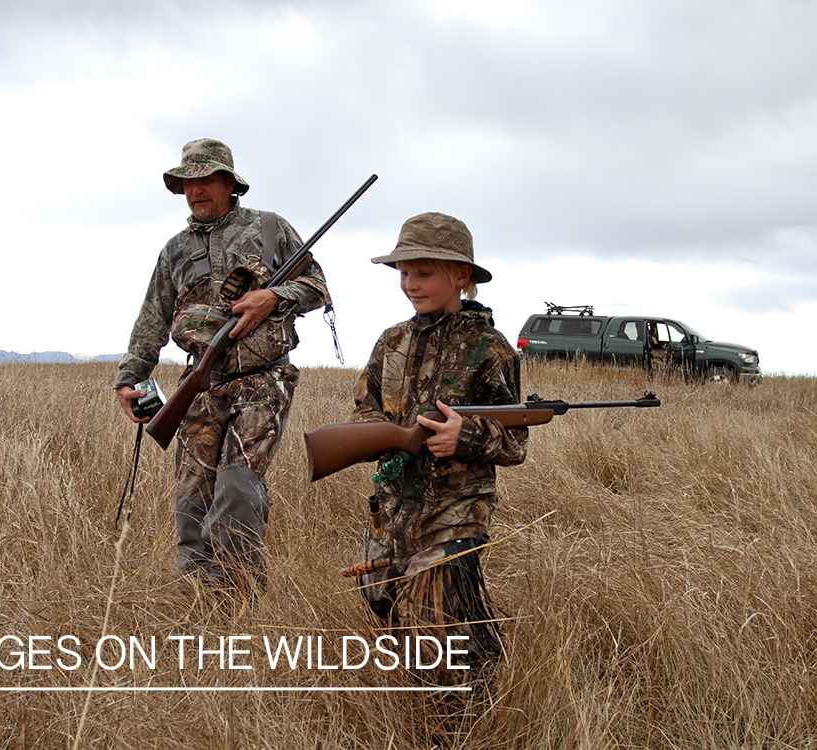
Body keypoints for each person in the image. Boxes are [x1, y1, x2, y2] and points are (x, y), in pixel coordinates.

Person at [114, 138, 330, 592]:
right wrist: (130, 378)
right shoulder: (174, 250)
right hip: (201, 383)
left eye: (206, 180)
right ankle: (199, 598)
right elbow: (152, 319)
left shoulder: (272, 230)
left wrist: (274, 296)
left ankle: (236, 594)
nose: (196, 191)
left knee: (236, 488)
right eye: (187, 183)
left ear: (230, 183)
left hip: (263, 380)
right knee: (191, 495)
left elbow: (317, 287)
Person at [350, 212, 527, 684]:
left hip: (456, 512)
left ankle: (460, 718)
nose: (410, 283)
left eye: (423, 272)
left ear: (461, 276)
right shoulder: (391, 342)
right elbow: (364, 410)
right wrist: (387, 435)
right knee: (385, 609)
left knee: (435, 628)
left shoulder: (490, 349)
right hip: (391, 510)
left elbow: (515, 441)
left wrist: (463, 437)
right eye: (404, 272)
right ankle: (484, 671)